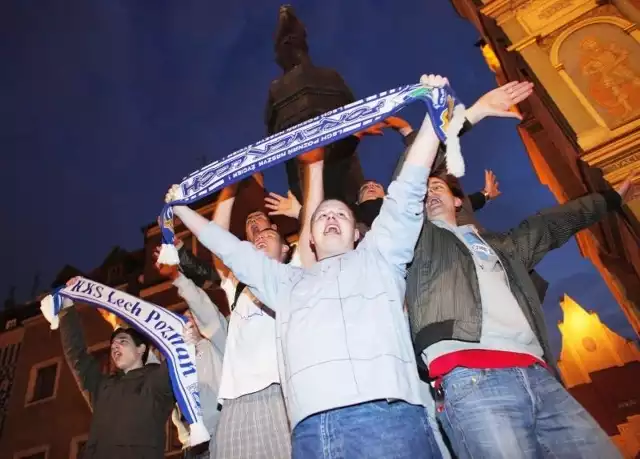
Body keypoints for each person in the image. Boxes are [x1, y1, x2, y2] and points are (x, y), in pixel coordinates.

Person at [167, 73, 453, 459]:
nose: (331, 216)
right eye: (321, 217)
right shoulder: (286, 282)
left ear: (357, 234)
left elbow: (408, 189)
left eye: (340, 214)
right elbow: (228, 248)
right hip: (314, 429)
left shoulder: (382, 257)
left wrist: (434, 116)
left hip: (391, 417)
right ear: (309, 240)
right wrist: (182, 209)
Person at [406, 169, 636, 458]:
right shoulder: (416, 246)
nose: (429, 193)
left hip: (540, 378)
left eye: (437, 187)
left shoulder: (500, 246)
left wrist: (611, 198)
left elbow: (551, 224)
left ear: (457, 201)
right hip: (471, 381)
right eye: (422, 192)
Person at [58, 278, 175, 459]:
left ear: (141, 349)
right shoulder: (102, 388)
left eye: (123, 341)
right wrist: (66, 307)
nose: (114, 347)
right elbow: (77, 356)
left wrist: (187, 340)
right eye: (112, 344)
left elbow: (176, 359)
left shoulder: (155, 383)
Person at [155, 248, 227, 459]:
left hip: (220, 436)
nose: (188, 323)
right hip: (191, 447)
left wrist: (178, 277)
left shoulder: (216, 344)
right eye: (183, 320)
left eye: (192, 318)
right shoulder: (176, 360)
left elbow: (205, 310)